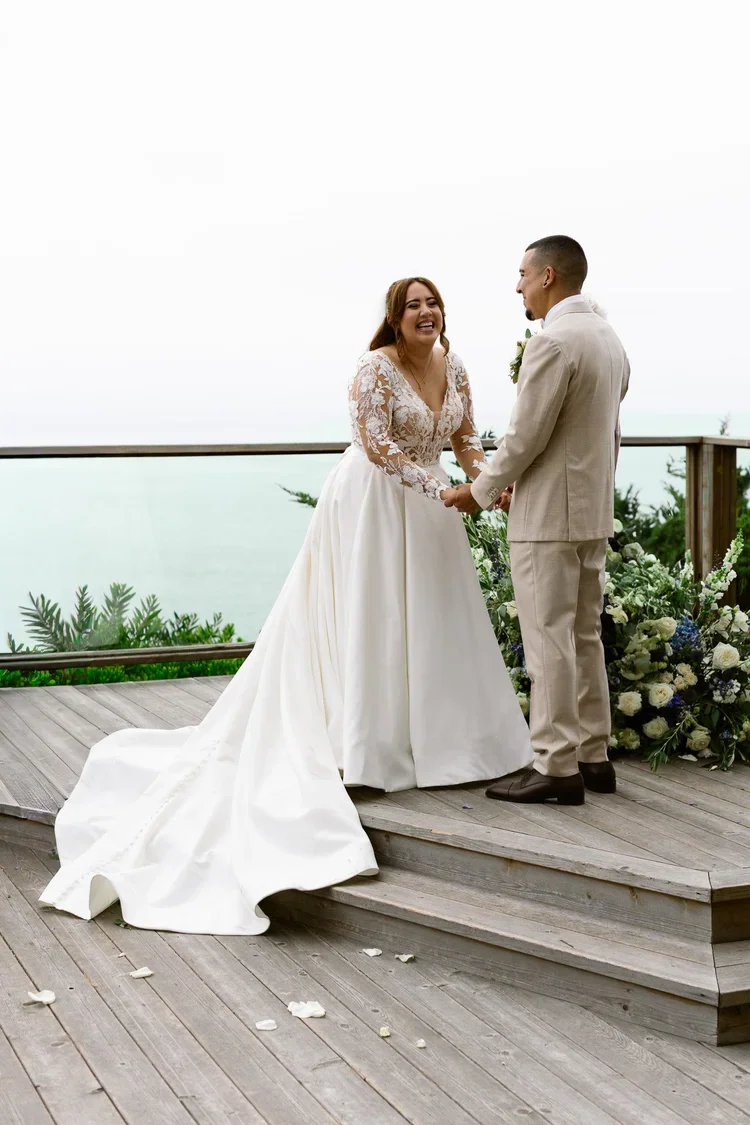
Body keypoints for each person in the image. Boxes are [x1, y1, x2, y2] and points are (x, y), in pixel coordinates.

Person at [39, 276, 532, 935]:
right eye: (413, 305)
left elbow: (466, 435)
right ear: (394, 318)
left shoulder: (456, 365)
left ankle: (448, 744)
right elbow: (375, 443)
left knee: (438, 623)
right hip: (375, 502)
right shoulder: (374, 368)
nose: (426, 312)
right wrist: (436, 487)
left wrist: (483, 480)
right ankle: (370, 747)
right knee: (375, 622)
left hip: (435, 508)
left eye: (432, 302)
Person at [444, 238, 630, 804]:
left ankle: (554, 765)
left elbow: (525, 437)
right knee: (584, 635)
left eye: (523, 274)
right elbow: (604, 433)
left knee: (548, 639)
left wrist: (480, 491)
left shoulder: (552, 342)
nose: (518, 286)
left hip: (548, 518)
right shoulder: (609, 340)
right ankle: (594, 757)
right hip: (592, 512)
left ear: (548, 276)